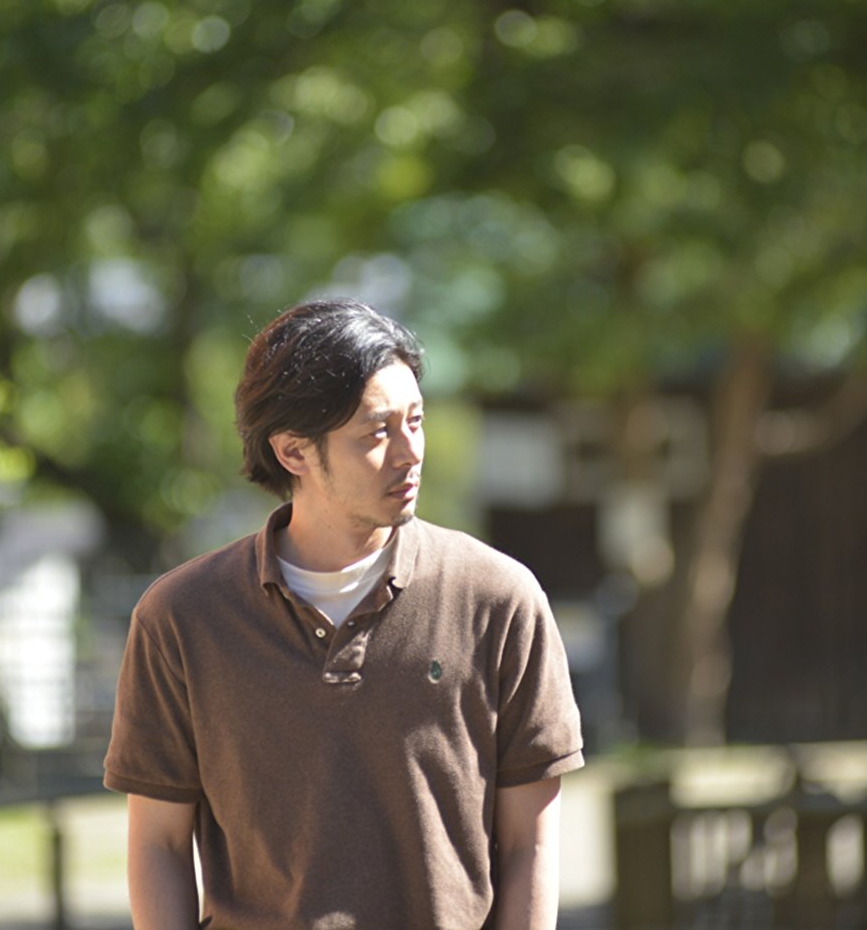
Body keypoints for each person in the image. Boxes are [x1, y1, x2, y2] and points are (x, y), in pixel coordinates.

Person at [104, 298, 584, 929]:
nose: (409, 452)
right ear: (292, 452)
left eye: (416, 421)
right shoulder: (181, 618)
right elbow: (159, 844)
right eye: (376, 433)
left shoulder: (499, 600)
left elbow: (531, 842)